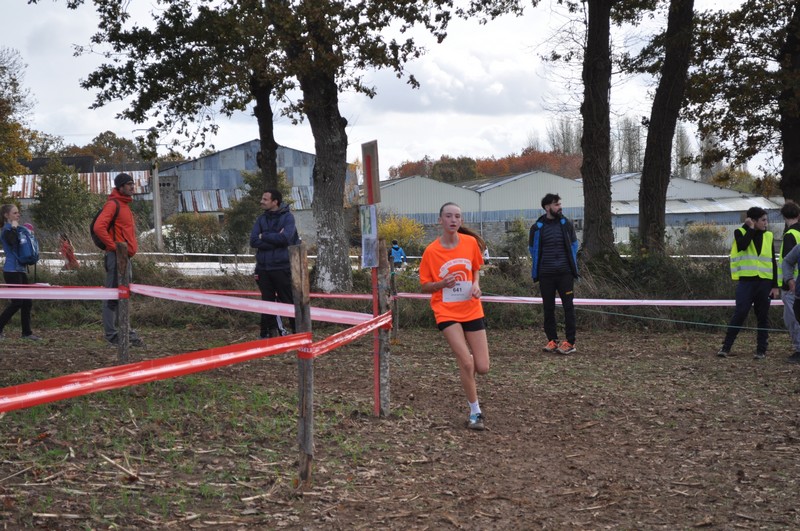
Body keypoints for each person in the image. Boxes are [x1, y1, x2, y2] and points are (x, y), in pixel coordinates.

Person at [419, 202, 489, 431]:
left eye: (457, 216)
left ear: (461, 220)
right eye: (448, 216)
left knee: (482, 366)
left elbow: (475, 269)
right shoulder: (431, 251)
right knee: (467, 362)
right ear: (440, 220)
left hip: (471, 308)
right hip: (446, 311)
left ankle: (467, 369)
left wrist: (476, 285)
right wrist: (441, 284)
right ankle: (475, 412)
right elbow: (424, 286)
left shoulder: (470, 243)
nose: (453, 220)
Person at [718, 206, 779, 359]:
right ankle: (726, 347)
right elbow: (743, 245)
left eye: (766, 220)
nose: (766, 223)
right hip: (746, 282)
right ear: (753, 221)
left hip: (764, 282)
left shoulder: (769, 236)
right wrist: (750, 229)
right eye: (763, 220)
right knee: (740, 313)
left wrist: (775, 285)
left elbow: (773, 261)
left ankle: (761, 350)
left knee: (763, 316)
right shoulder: (740, 232)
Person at [93, 173, 145, 347]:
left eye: (132, 184)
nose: (132, 187)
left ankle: (126, 333)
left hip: (124, 257)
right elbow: (98, 227)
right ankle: (113, 335)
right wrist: (114, 247)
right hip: (116, 257)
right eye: (128, 184)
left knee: (123, 296)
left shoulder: (125, 205)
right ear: (120, 187)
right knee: (113, 297)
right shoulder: (113, 204)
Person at [528, 193, 579, 355]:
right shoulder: (537, 227)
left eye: (559, 204)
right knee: (548, 308)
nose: (560, 207)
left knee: (568, 307)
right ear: (547, 207)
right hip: (546, 274)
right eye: (556, 204)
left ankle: (570, 342)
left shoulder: (567, 224)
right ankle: (552, 340)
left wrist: (569, 265)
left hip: (565, 274)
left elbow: (574, 245)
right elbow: (532, 249)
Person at [250, 189, 300, 339]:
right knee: (267, 302)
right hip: (263, 268)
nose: (261, 201)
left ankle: (298, 334)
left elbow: (286, 239)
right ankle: (267, 335)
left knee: (288, 301)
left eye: (265, 199)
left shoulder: (288, 218)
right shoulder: (261, 219)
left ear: (275, 202)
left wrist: (264, 236)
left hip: (281, 267)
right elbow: (253, 241)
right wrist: (275, 239)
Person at [0, 204, 42, 341]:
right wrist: (14, 227)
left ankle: (26, 333)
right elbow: (12, 241)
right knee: (17, 302)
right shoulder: (6, 230)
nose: (18, 215)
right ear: (6, 215)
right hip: (12, 270)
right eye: (15, 213)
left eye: (18, 213)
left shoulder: (19, 230)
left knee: (27, 302)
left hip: (21, 270)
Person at [779, 201, 800, 363]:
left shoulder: (789, 235)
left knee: (793, 320)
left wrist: (789, 280)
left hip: (792, 287)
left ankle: (799, 349)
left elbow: (787, 261)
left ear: (784, 216)